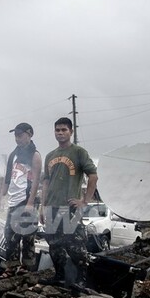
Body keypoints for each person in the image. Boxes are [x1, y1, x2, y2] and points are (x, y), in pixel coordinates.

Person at [40, 117, 98, 288]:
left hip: (70, 207)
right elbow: (46, 182)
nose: (60, 133)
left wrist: (85, 201)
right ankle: (59, 277)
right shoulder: (50, 155)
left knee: (75, 245)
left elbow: (93, 176)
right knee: (54, 245)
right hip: (51, 207)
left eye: (64, 130)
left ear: (71, 132)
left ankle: (81, 281)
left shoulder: (79, 152)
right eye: (57, 130)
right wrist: (42, 207)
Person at [0, 123, 42, 277]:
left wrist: (30, 203)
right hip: (14, 199)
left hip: (27, 199)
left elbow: (36, 181)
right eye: (16, 136)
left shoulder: (34, 155)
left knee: (27, 235)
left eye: (20, 135)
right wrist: (1, 196)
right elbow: (8, 178)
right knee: (9, 234)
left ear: (29, 134)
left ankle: (26, 267)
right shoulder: (13, 155)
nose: (18, 139)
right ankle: (10, 266)